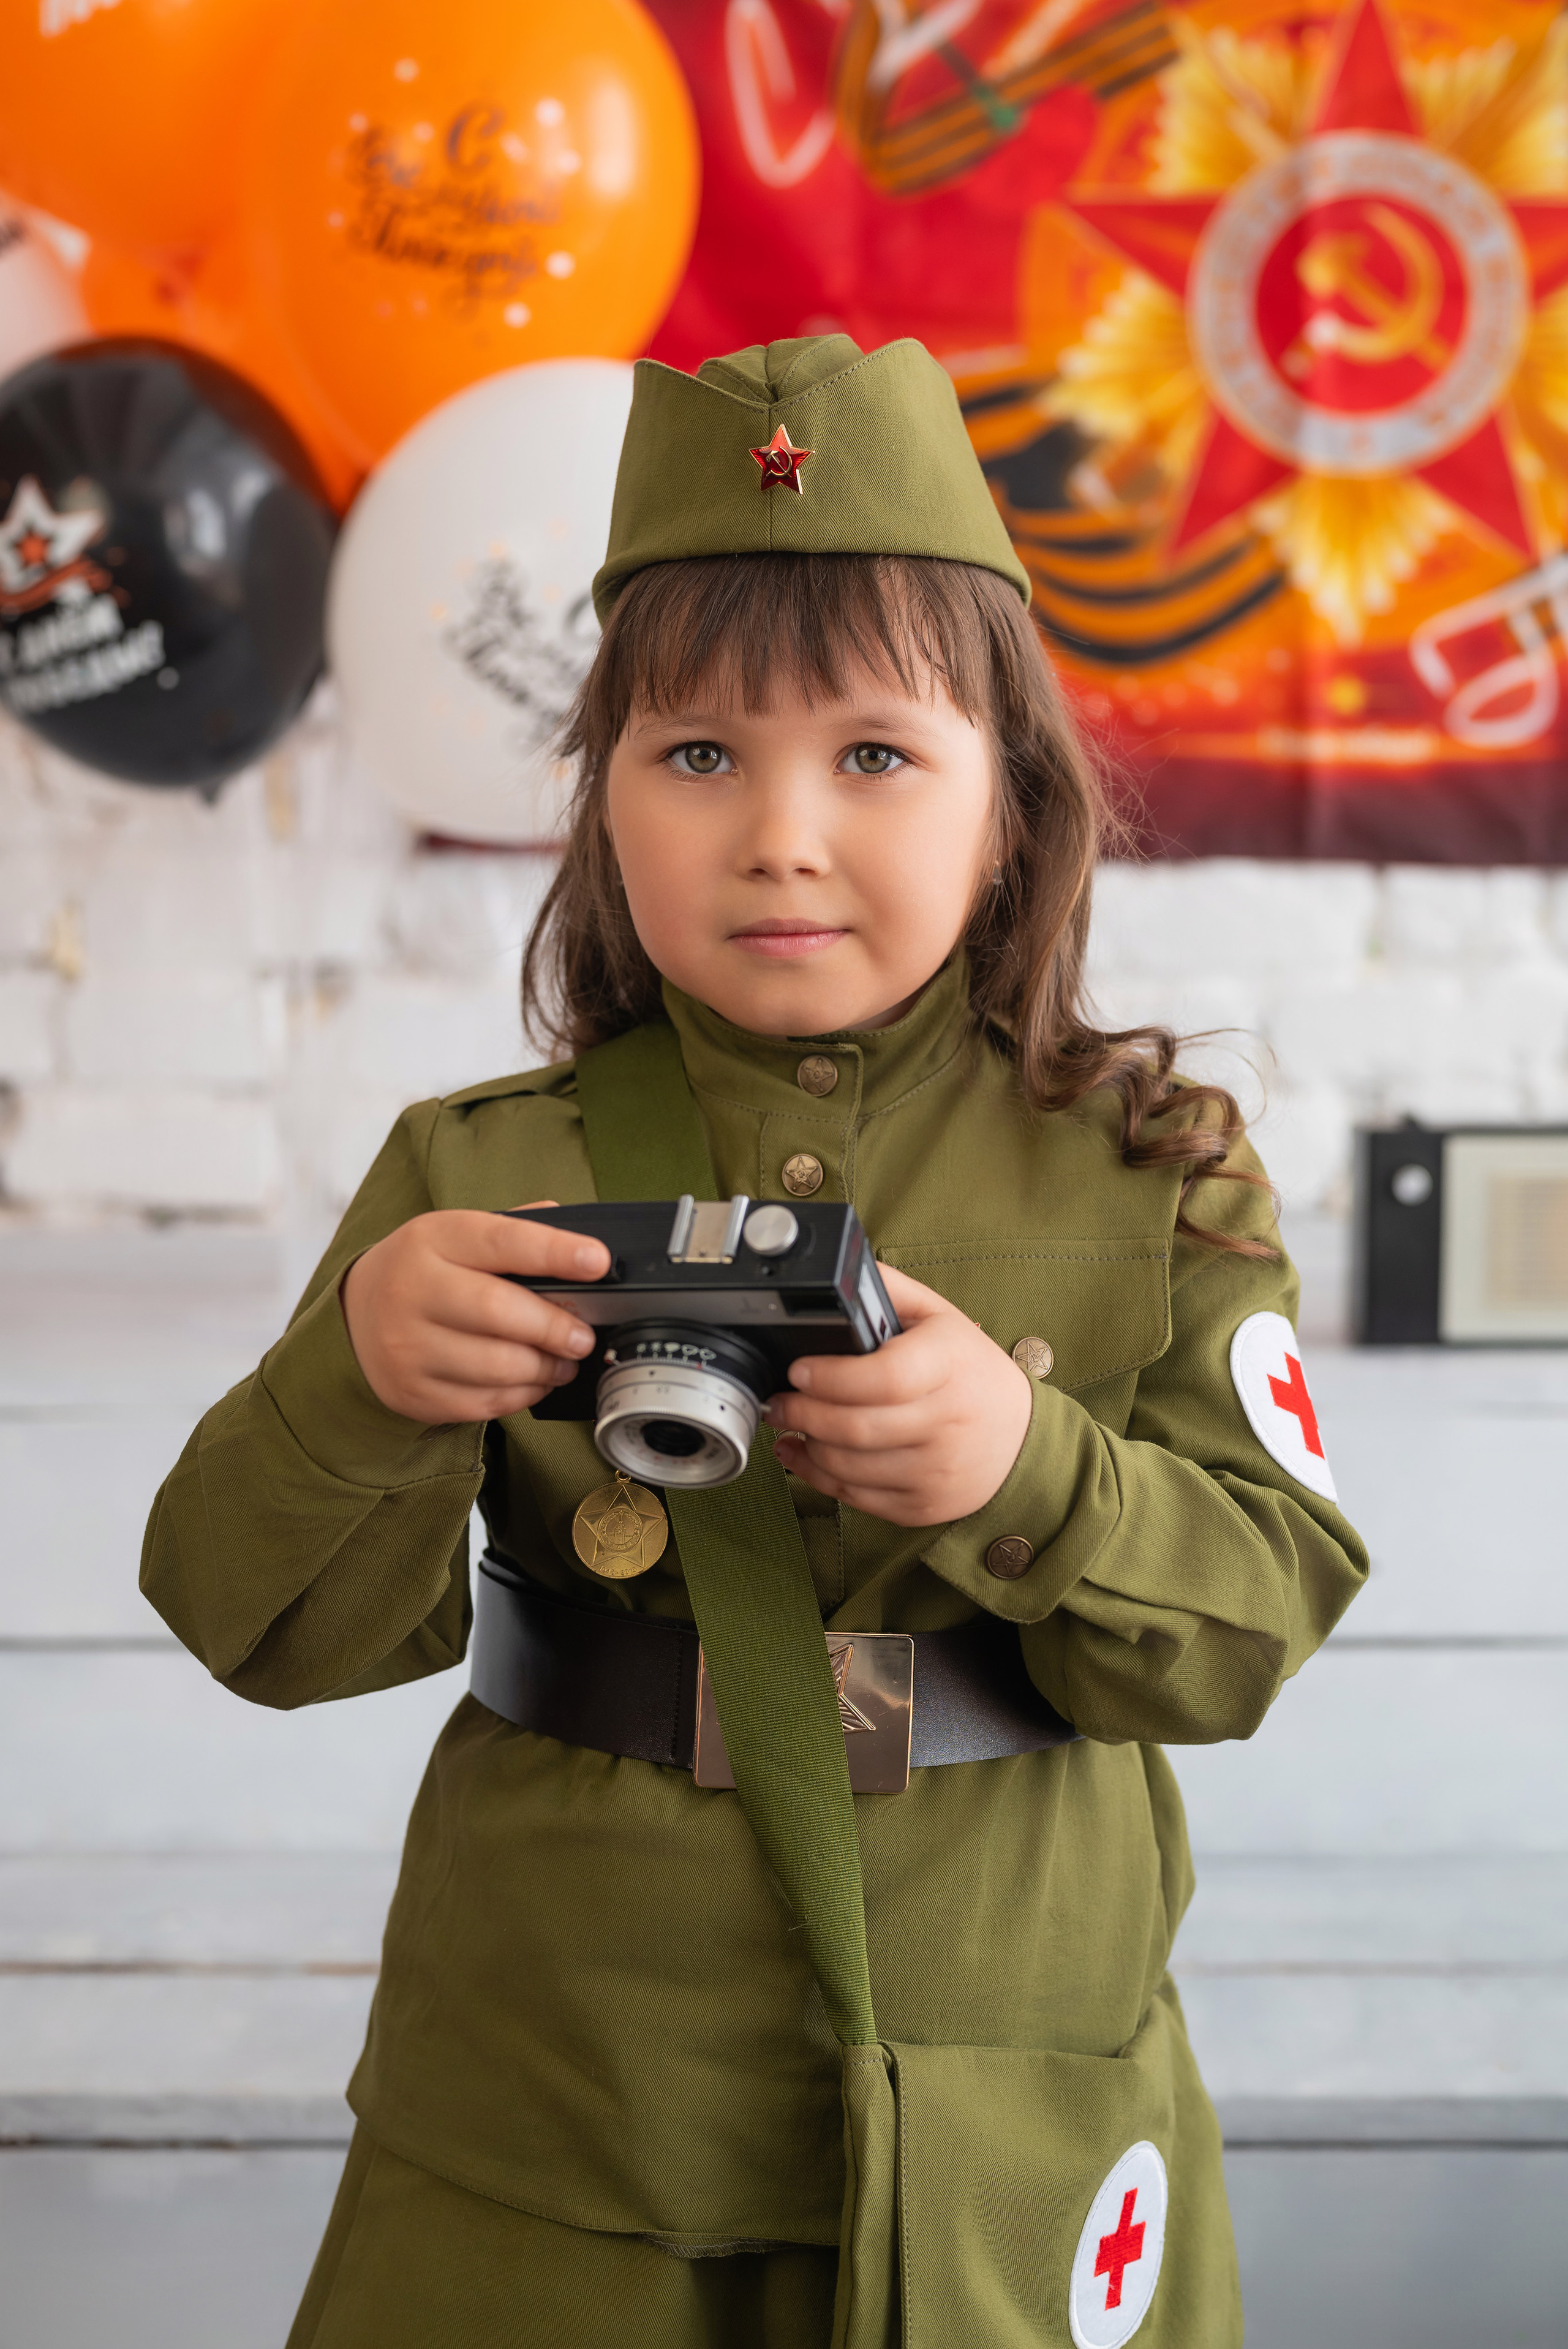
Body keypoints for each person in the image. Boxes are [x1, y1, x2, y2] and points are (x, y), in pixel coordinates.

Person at [141, 333, 1366, 2349]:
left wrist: (1024, 1472)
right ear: (602, 795)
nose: (781, 831)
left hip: (1011, 2083)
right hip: (556, 2100)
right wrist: (354, 1374)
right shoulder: (479, 1171)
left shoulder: (1153, 1167)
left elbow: (1255, 1622)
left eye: (876, 753)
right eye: (698, 753)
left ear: (1010, 793)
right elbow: (252, 1621)